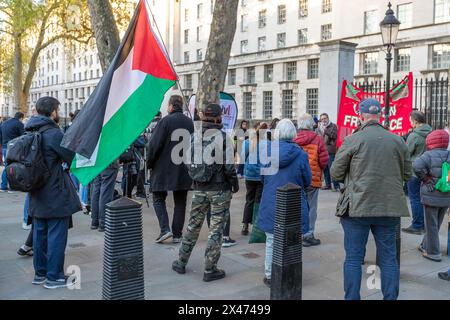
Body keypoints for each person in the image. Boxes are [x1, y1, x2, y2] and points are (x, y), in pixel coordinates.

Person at [331, 98, 412, 300]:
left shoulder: (353, 139)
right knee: (388, 259)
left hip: (357, 206)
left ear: (361, 116)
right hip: (388, 207)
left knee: (353, 258)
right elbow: (408, 174)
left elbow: (335, 173)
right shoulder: (397, 140)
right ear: (381, 116)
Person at [172, 103, 239, 282]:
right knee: (216, 230)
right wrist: (234, 185)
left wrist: (196, 177)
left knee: (193, 225)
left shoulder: (193, 136)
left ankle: (181, 261)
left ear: (203, 117)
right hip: (219, 190)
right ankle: (210, 269)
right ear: (219, 118)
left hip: (199, 188)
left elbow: (186, 161)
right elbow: (230, 167)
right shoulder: (223, 138)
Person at [26, 96, 82, 289]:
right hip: (55, 192)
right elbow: (71, 157)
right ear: (52, 112)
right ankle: (54, 277)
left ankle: (39, 274)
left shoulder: (29, 130)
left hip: (35, 192)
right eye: (58, 109)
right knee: (56, 235)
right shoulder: (53, 133)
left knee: (39, 234)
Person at [257, 119, 311, 287]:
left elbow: (262, 177)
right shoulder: (300, 154)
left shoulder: (267, 152)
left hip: (272, 200)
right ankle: (290, 272)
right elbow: (307, 180)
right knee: (293, 239)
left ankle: (269, 274)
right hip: (293, 201)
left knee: (272, 240)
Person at [147, 95, 194, 243]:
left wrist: (149, 163)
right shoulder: (190, 122)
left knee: (158, 197)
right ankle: (177, 234)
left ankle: (165, 229)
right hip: (184, 168)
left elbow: (153, 145)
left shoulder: (165, 121)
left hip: (163, 168)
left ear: (171, 106)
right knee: (180, 201)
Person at [413, 129, 450, 262]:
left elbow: (416, 166)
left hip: (431, 194)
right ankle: (425, 245)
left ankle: (433, 252)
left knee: (431, 224)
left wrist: (426, 179)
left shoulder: (427, 155)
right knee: (436, 223)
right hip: (446, 195)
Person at [294, 114, 329, 246]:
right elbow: (324, 160)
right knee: (311, 207)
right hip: (313, 178)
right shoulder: (317, 139)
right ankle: (308, 234)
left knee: (297, 206)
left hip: (297, 179)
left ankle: (297, 233)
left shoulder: (294, 138)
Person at [402, 110, 432, 235]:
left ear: (415, 121)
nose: (410, 122)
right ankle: (423, 224)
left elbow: (406, 153)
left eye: (410, 120)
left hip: (414, 170)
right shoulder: (431, 132)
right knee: (423, 198)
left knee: (414, 198)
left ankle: (417, 225)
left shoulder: (414, 135)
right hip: (427, 170)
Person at [241, 122, 267, 236]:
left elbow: (243, 156)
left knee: (249, 199)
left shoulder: (248, 142)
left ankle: (245, 225)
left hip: (250, 174)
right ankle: (257, 226)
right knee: (258, 201)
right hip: (261, 175)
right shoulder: (266, 143)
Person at [90, 160, 119, 232]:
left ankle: (95, 221)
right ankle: (103, 222)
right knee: (105, 192)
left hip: (97, 160)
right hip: (109, 159)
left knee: (96, 189)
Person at [1, 111, 25, 192]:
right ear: (21, 118)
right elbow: (23, 137)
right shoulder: (19, 124)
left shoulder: (4, 123)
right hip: (14, 148)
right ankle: (12, 188)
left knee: (7, 166)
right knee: (15, 166)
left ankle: (3, 186)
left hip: (4, 146)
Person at [317, 113, 339, 191]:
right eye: (322, 119)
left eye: (325, 118)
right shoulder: (319, 128)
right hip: (322, 151)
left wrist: (326, 130)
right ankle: (328, 184)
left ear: (328, 118)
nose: (324, 120)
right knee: (325, 168)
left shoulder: (333, 126)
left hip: (330, 150)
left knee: (332, 168)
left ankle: (336, 186)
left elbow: (334, 136)